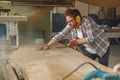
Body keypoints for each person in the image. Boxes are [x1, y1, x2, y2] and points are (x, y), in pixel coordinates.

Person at [39, 8, 110, 67]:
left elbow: (91, 38)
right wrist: (48, 45)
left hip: (101, 48)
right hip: (89, 49)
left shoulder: (87, 21)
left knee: (103, 69)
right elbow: (61, 34)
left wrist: (75, 42)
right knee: (84, 67)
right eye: (67, 21)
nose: (69, 23)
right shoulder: (71, 25)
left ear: (78, 18)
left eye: (71, 20)